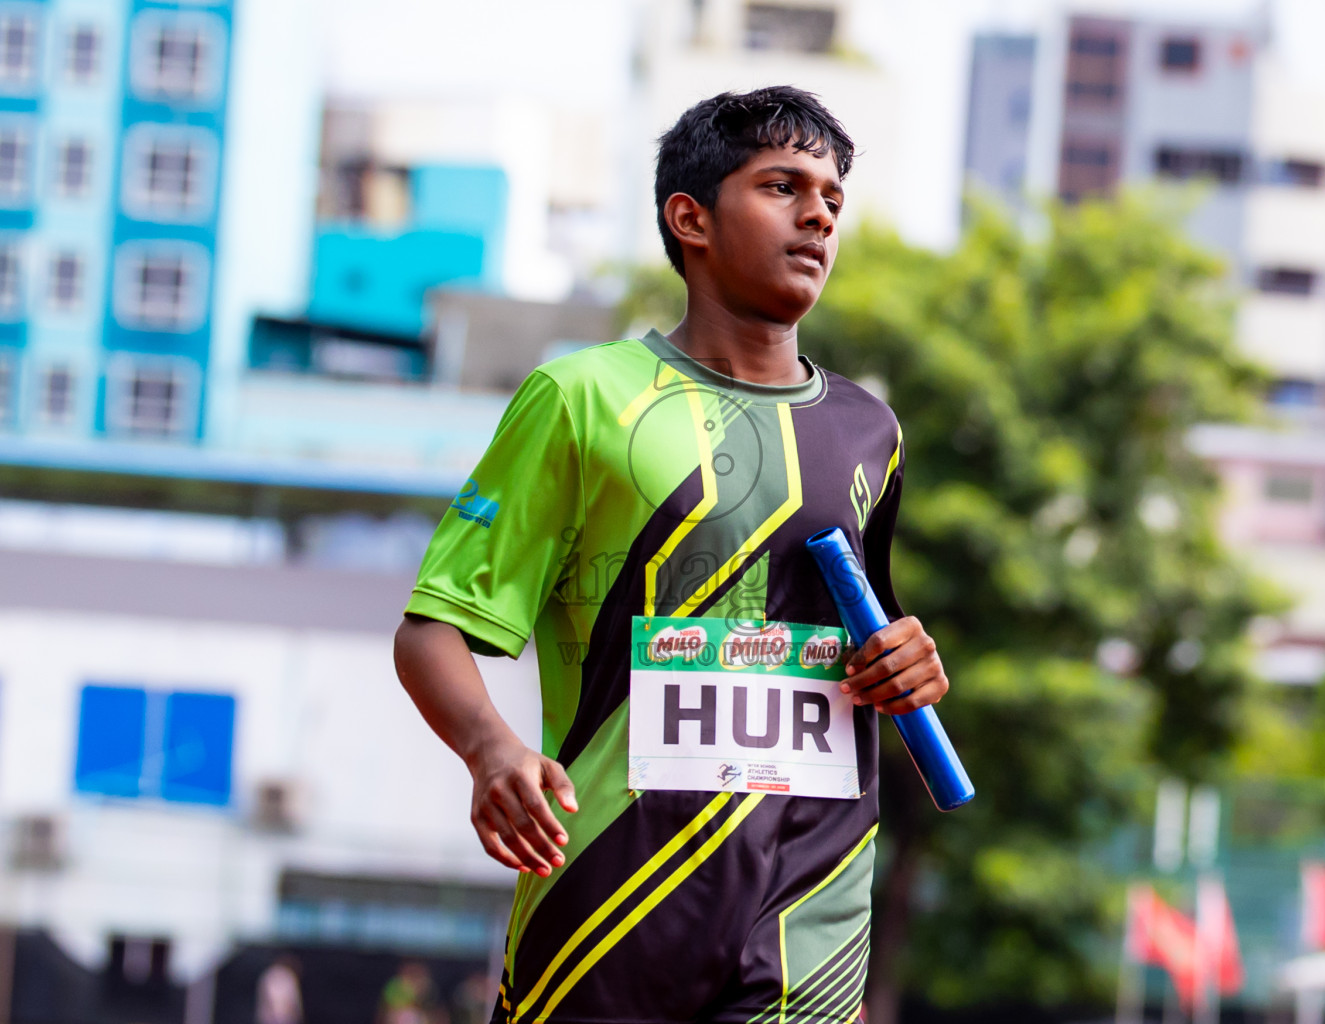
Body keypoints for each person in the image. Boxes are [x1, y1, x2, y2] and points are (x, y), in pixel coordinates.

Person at [394, 86, 950, 1024]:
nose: (819, 215)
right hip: (607, 903)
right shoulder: (581, 399)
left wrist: (912, 663)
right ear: (690, 218)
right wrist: (491, 751)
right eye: (782, 186)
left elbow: (870, 639)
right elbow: (431, 630)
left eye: (832, 198)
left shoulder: (870, 432)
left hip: (809, 917)